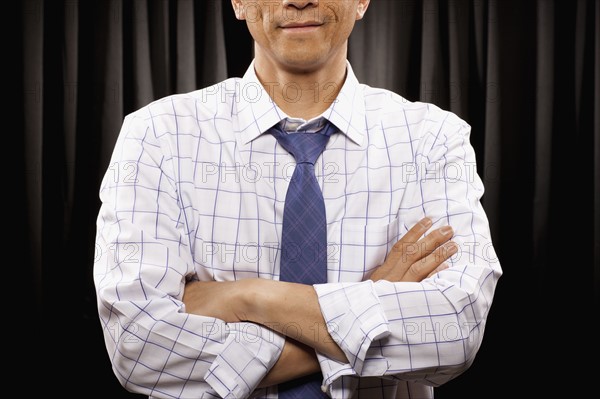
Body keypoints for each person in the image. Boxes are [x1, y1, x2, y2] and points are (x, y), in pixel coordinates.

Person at [93, 0, 502, 398]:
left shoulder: (433, 139)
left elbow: (455, 330)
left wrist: (250, 297)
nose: (299, 1)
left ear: (362, 1)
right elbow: (138, 346)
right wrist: (371, 303)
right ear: (238, 2)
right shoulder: (156, 137)